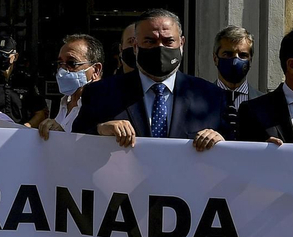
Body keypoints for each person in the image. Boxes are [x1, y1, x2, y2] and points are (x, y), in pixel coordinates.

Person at [72, 8, 226, 150]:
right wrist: (100, 130)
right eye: (150, 41)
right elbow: (74, 143)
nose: (160, 48)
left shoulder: (211, 97)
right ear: (135, 46)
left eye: (168, 41)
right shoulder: (100, 93)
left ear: (181, 43)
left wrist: (221, 142)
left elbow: (231, 155)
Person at [34, 34, 104, 136]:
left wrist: (64, 138)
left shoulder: (107, 107)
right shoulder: (63, 103)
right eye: (60, 63)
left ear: (96, 70)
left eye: (72, 63)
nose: (62, 70)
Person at [213, 25, 255, 139]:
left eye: (243, 55)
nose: (235, 61)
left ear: (250, 60)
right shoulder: (199, 100)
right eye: (228, 54)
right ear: (215, 58)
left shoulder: (264, 104)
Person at [0, 36, 41, 123]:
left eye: (5, 55)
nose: (1, 58)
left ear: (15, 57)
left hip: (20, 132)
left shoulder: (25, 80)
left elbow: (41, 112)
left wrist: (27, 127)